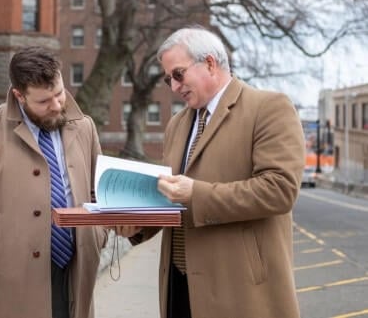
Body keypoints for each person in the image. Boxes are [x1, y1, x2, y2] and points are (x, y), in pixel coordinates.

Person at [116, 26, 305, 318]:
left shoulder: (269, 108)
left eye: (178, 74)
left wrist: (196, 193)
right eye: (168, 79)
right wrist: (138, 225)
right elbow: (173, 198)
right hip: (179, 286)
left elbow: (279, 190)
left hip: (239, 289)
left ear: (210, 63)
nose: (174, 86)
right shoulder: (176, 125)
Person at [0, 46, 106, 318]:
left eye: (59, 93)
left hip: (76, 272)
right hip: (13, 282)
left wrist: (96, 236)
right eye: (44, 101)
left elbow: (99, 194)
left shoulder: (84, 127)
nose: (57, 105)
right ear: (19, 96)